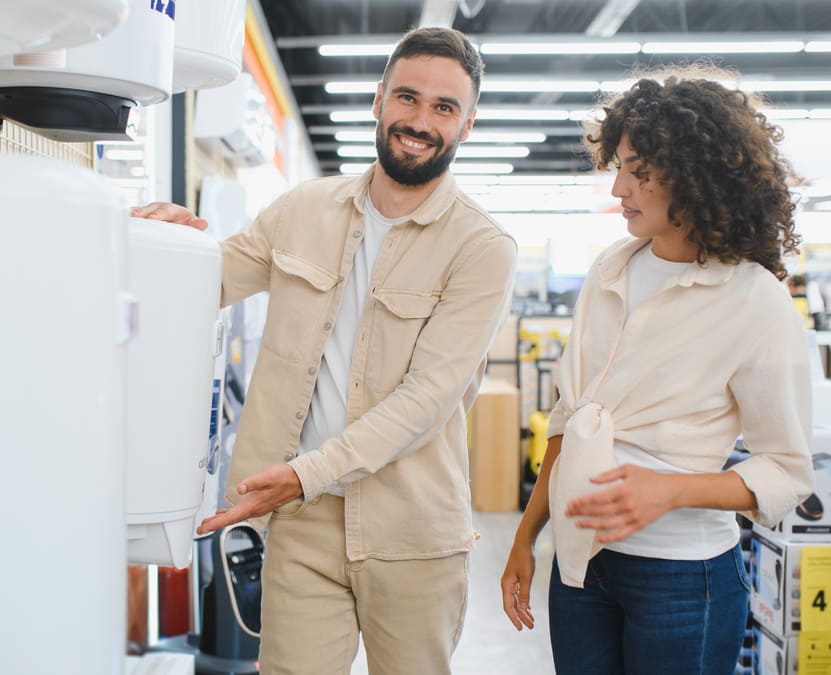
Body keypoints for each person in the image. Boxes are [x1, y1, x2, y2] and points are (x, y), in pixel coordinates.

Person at [134, 27, 517, 674]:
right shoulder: (303, 209)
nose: (420, 122)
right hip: (302, 522)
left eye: (444, 107)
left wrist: (302, 473)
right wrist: (166, 244)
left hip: (413, 533)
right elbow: (211, 281)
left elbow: (425, 400)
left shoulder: (482, 247)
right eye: (407, 97)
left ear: (467, 124)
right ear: (378, 99)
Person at [500, 66, 814, 675]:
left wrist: (670, 490)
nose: (619, 187)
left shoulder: (753, 299)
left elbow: (787, 471)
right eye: (618, 166)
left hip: (683, 579)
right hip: (581, 566)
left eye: (638, 170)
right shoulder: (609, 272)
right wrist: (526, 535)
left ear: (697, 175)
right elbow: (569, 418)